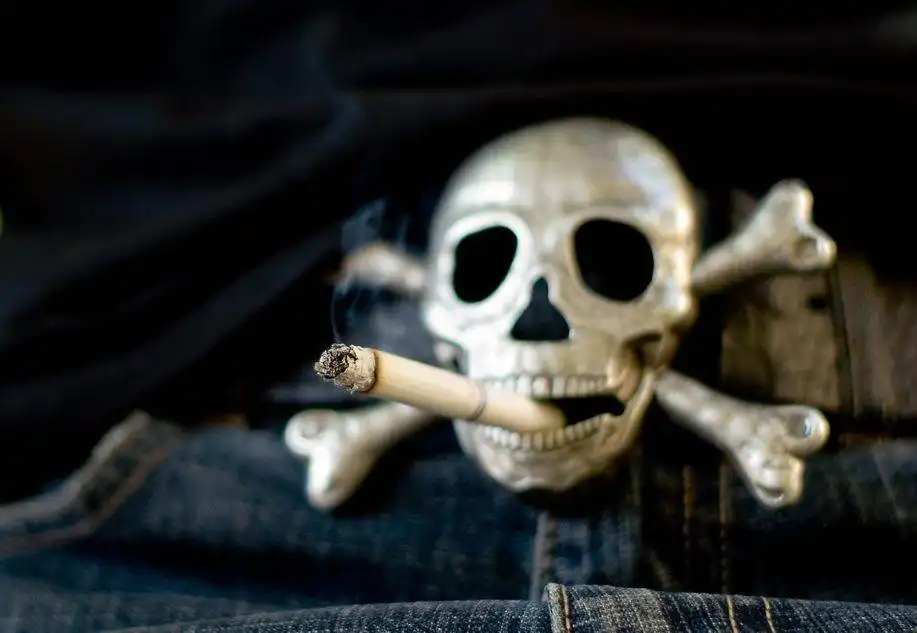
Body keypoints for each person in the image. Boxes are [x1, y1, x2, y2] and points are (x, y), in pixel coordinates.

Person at [1, 2, 917, 631]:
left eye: (615, 261)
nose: (536, 322)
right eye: (485, 271)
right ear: (438, 297)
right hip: (176, 519)